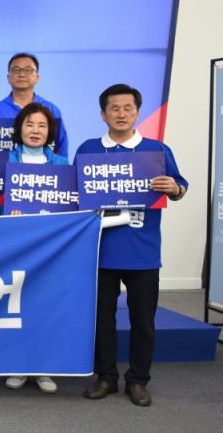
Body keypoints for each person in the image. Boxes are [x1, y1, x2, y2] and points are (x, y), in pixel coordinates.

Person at [78, 84, 187, 407]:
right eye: (114, 108)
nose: (121, 114)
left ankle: (138, 380)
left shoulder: (157, 150)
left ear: (137, 112)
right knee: (102, 320)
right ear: (103, 114)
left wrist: (174, 188)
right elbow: (74, 194)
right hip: (100, 251)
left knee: (143, 322)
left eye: (128, 108)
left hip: (143, 252)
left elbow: (180, 186)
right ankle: (106, 377)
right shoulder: (88, 149)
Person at [1, 103, 67, 395]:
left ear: (50, 131)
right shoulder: (4, 161)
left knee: (44, 307)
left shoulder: (63, 164)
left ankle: (43, 367)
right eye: (29, 124)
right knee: (15, 306)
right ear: (19, 129)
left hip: (50, 248)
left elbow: (71, 206)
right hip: (14, 246)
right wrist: (6, 212)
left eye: (42, 125)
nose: (35, 130)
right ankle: (18, 364)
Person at [0, 53, 68, 155]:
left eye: (28, 70)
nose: (22, 74)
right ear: (8, 78)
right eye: (16, 70)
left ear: (37, 77)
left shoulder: (51, 110)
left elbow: (61, 147)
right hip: (1, 165)